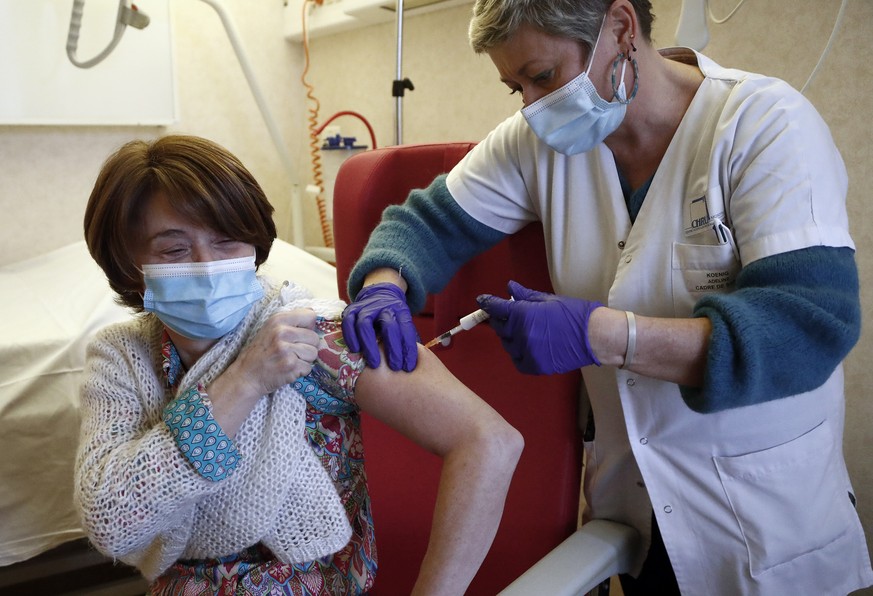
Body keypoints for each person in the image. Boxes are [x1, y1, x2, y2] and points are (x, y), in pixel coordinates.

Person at [339, 1, 873, 594]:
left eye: (542, 77)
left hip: (764, 518)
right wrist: (384, 281)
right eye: (514, 87)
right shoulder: (536, 142)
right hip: (636, 509)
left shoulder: (763, 125)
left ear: (620, 28)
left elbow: (809, 329)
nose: (533, 108)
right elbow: (428, 223)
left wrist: (600, 334)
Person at [74, 134, 523, 595]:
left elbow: (489, 442)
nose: (208, 266)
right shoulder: (123, 357)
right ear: (130, 266)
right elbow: (111, 521)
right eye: (174, 250)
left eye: (227, 241)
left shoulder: (316, 338)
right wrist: (246, 379)